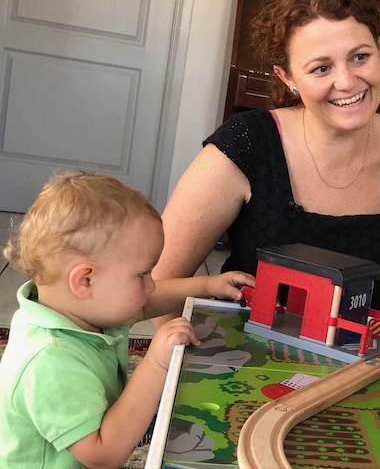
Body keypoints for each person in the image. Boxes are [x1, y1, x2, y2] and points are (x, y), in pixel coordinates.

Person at [151, 0, 380, 326]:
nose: (347, 81)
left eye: (360, 56)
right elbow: (162, 284)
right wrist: (181, 356)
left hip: (369, 362)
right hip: (246, 361)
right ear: (287, 77)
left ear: (379, 49)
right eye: (321, 68)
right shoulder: (246, 145)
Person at [0, 171, 255, 469]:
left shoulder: (77, 308)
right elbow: (104, 455)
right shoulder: (49, 362)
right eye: (142, 274)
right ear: (86, 280)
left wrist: (205, 286)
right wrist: (155, 363)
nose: (150, 285)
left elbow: (144, 304)